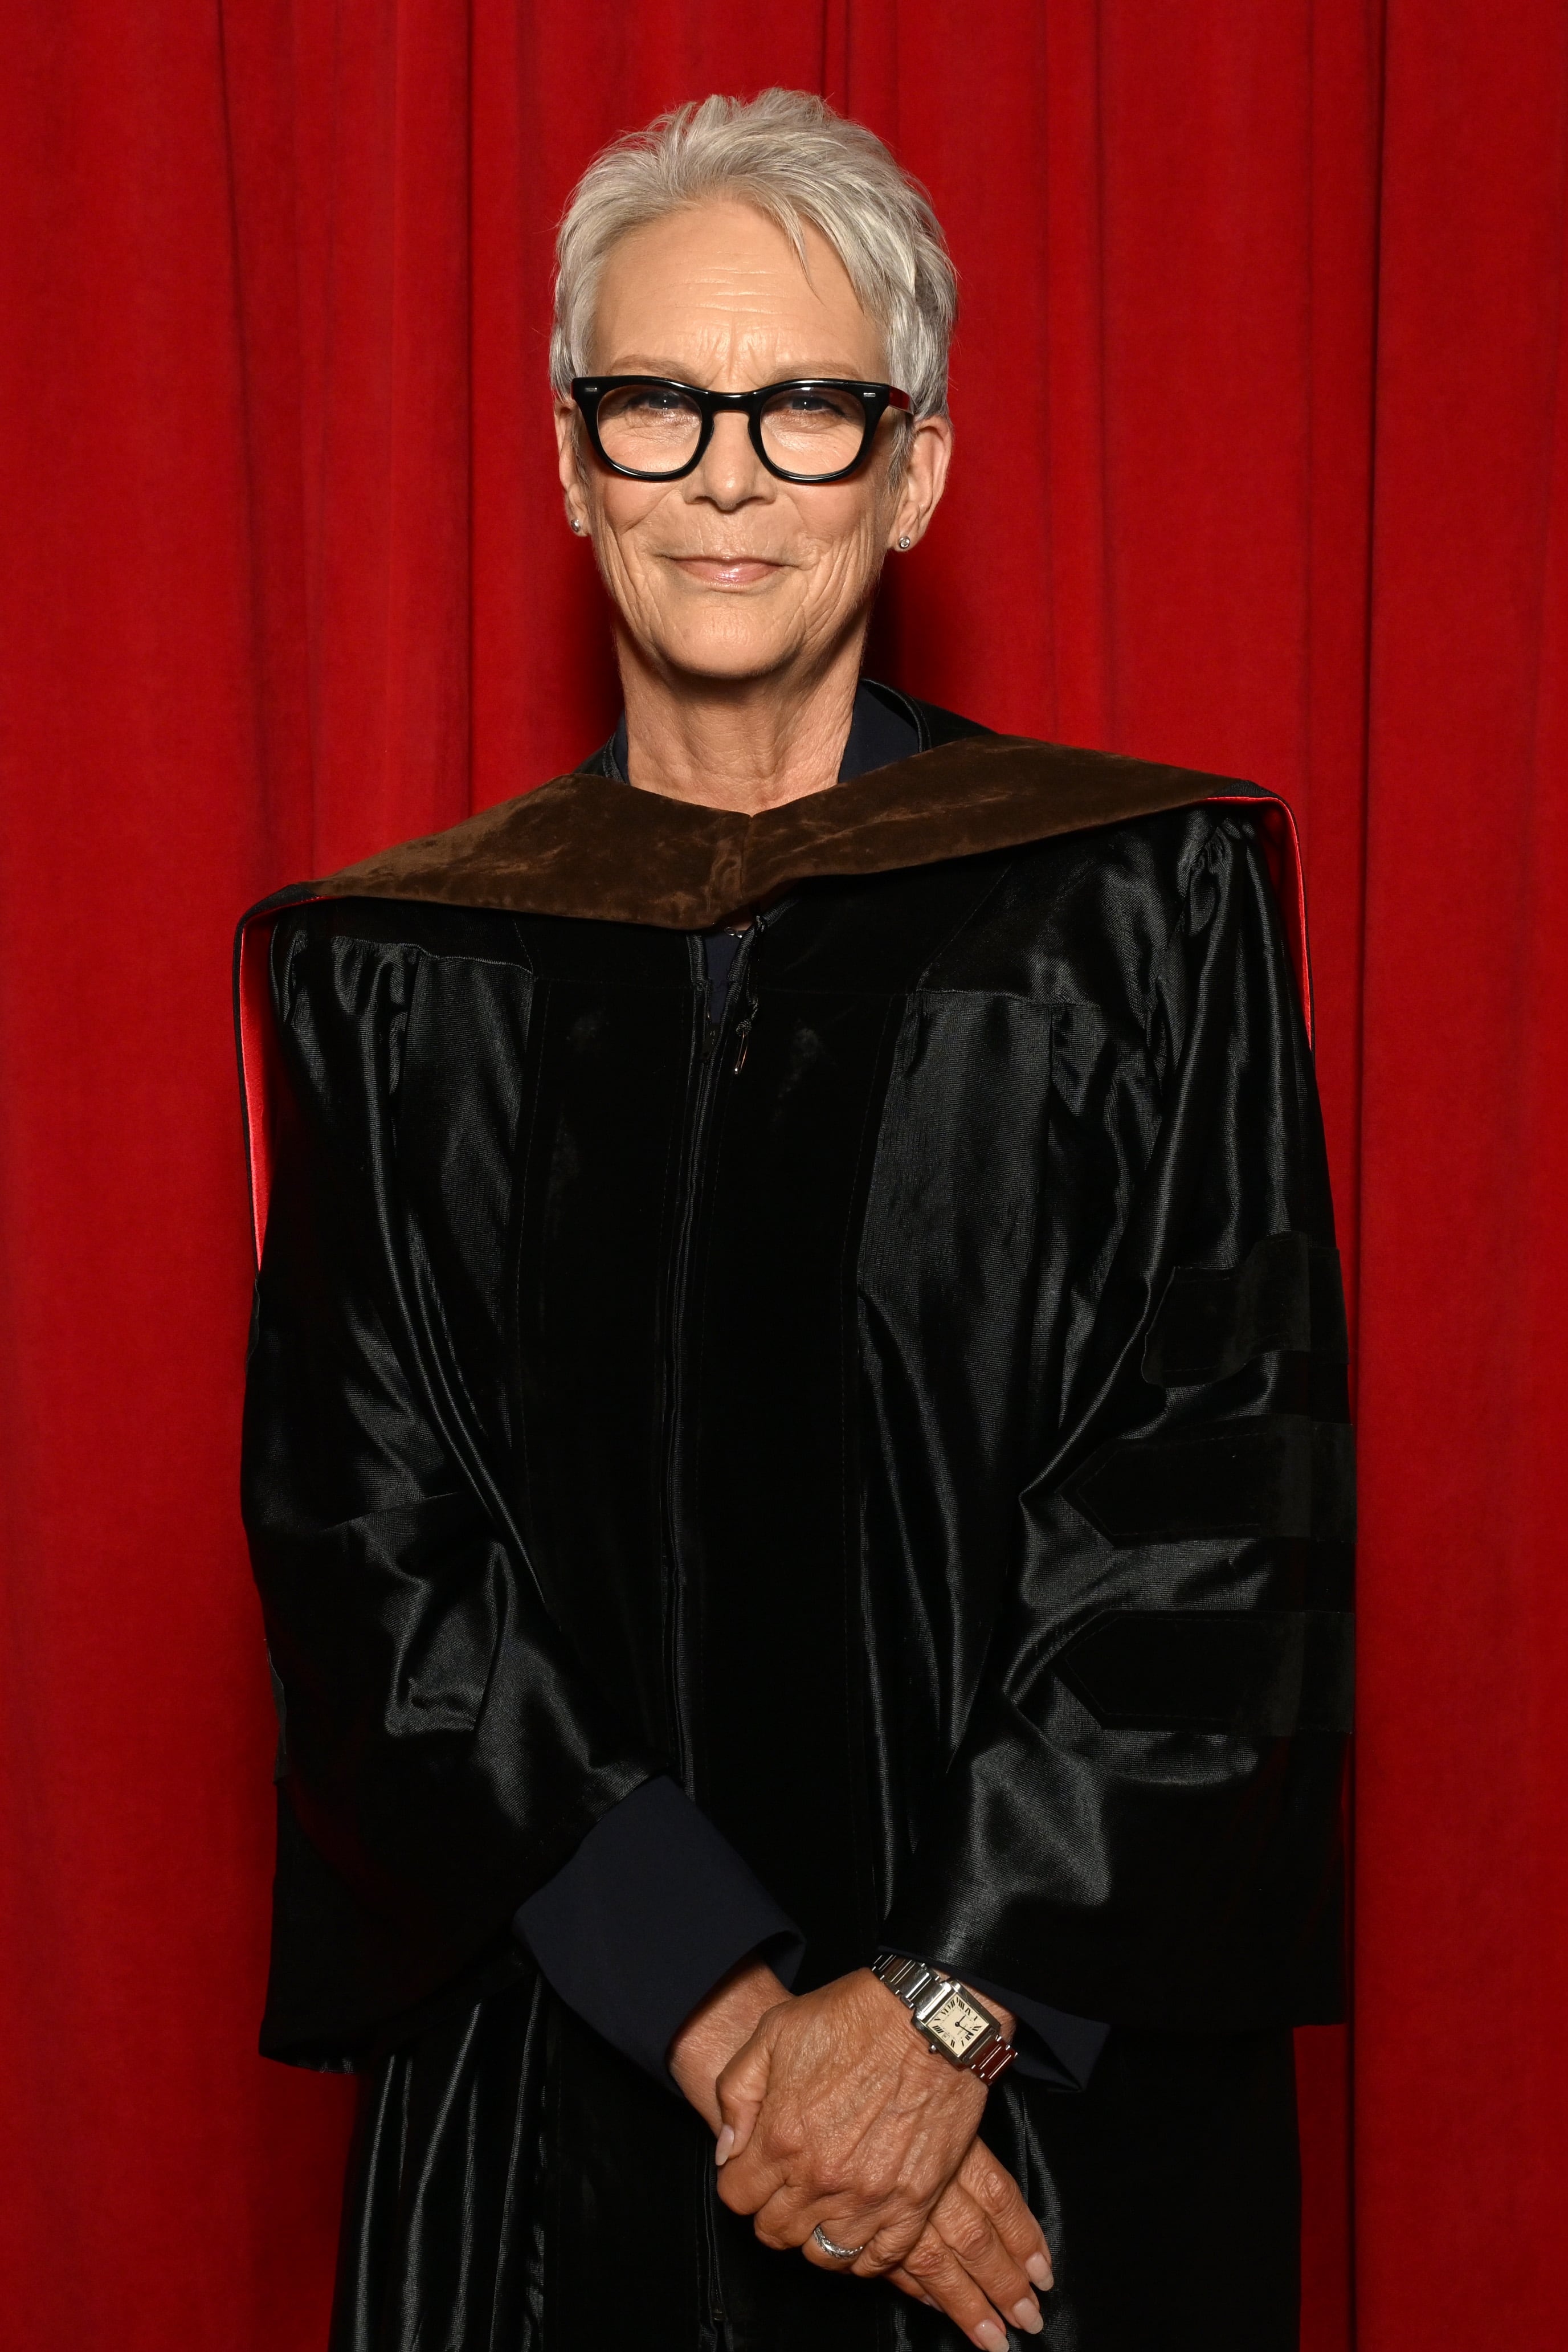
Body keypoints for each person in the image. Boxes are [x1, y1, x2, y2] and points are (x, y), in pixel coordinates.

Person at [236, 89, 1351, 2352]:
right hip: (566, 2097)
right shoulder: (405, 971)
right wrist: (731, 2024)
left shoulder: (1133, 914)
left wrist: (934, 2019)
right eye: (656, 404)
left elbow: (1213, 1525)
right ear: (575, 464)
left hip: (1031, 2107)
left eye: (808, 410)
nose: (728, 476)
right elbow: (371, 1558)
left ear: (910, 469)